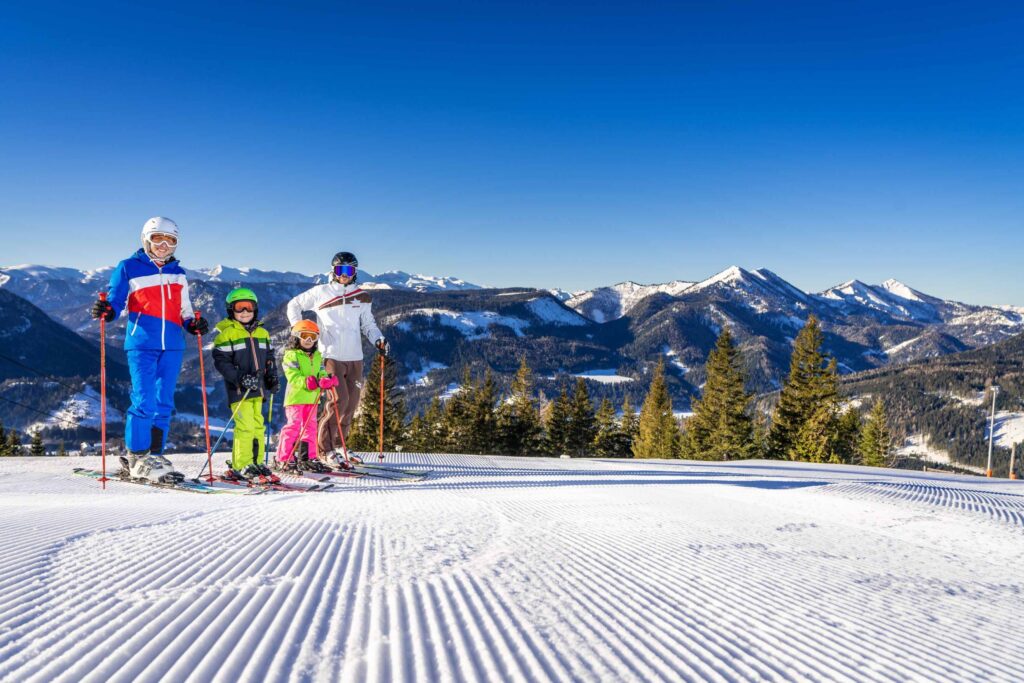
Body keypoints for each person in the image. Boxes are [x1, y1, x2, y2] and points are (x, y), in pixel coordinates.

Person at [88, 217, 207, 483]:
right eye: (157, 238)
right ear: (146, 239)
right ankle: (137, 457)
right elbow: (116, 301)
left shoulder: (179, 273)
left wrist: (193, 324)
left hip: (173, 345)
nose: (164, 245)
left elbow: (185, 310)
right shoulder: (128, 267)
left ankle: (155, 454)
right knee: (144, 401)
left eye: (170, 240)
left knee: (164, 402)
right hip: (141, 343)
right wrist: (107, 311)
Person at [286, 251, 388, 468]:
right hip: (330, 355)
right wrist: (299, 329)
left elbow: (368, 324)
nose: (344, 275)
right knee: (338, 401)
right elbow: (293, 305)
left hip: (355, 357)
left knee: (351, 403)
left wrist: (378, 339)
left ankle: (340, 445)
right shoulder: (320, 292)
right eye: (340, 270)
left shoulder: (362, 297)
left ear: (355, 272)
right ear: (333, 271)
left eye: (349, 270)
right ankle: (325, 449)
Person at [211, 287, 280, 482]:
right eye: (239, 307)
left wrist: (272, 377)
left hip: (259, 388)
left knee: (258, 426)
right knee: (245, 426)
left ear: (255, 309)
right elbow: (221, 362)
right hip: (239, 389)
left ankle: (256, 463)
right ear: (230, 310)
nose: (244, 312)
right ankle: (241, 465)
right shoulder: (227, 335)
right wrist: (240, 378)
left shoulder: (263, 333)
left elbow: (269, 358)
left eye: (248, 307)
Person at [275, 320, 338, 473]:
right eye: (305, 336)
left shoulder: (317, 356)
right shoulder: (291, 355)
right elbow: (292, 375)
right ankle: (283, 458)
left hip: (312, 399)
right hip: (295, 398)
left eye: (313, 337)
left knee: (310, 427)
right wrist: (305, 381)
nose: (309, 340)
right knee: (294, 426)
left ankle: (308, 458)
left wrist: (327, 379)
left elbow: (321, 372)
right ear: (296, 337)